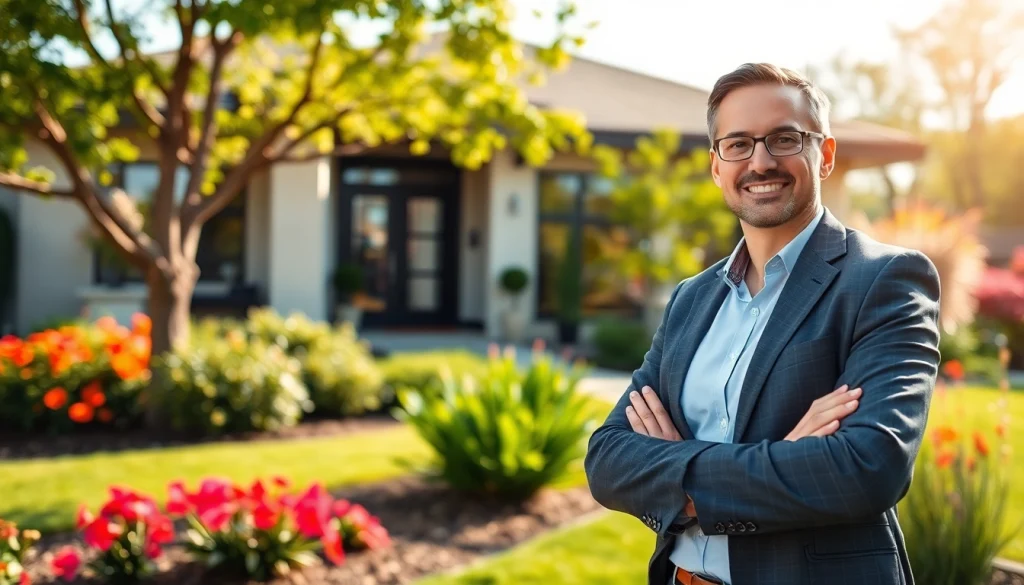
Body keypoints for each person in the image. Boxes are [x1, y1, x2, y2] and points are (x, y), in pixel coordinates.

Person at [583, 63, 941, 585]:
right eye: (739, 144)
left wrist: (680, 477)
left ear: (826, 155)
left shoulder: (884, 280)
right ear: (716, 165)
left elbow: (869, 466)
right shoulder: (691, 299)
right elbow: (609, 459)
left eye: (785, 138)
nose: (762, 161)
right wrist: (785, 458)